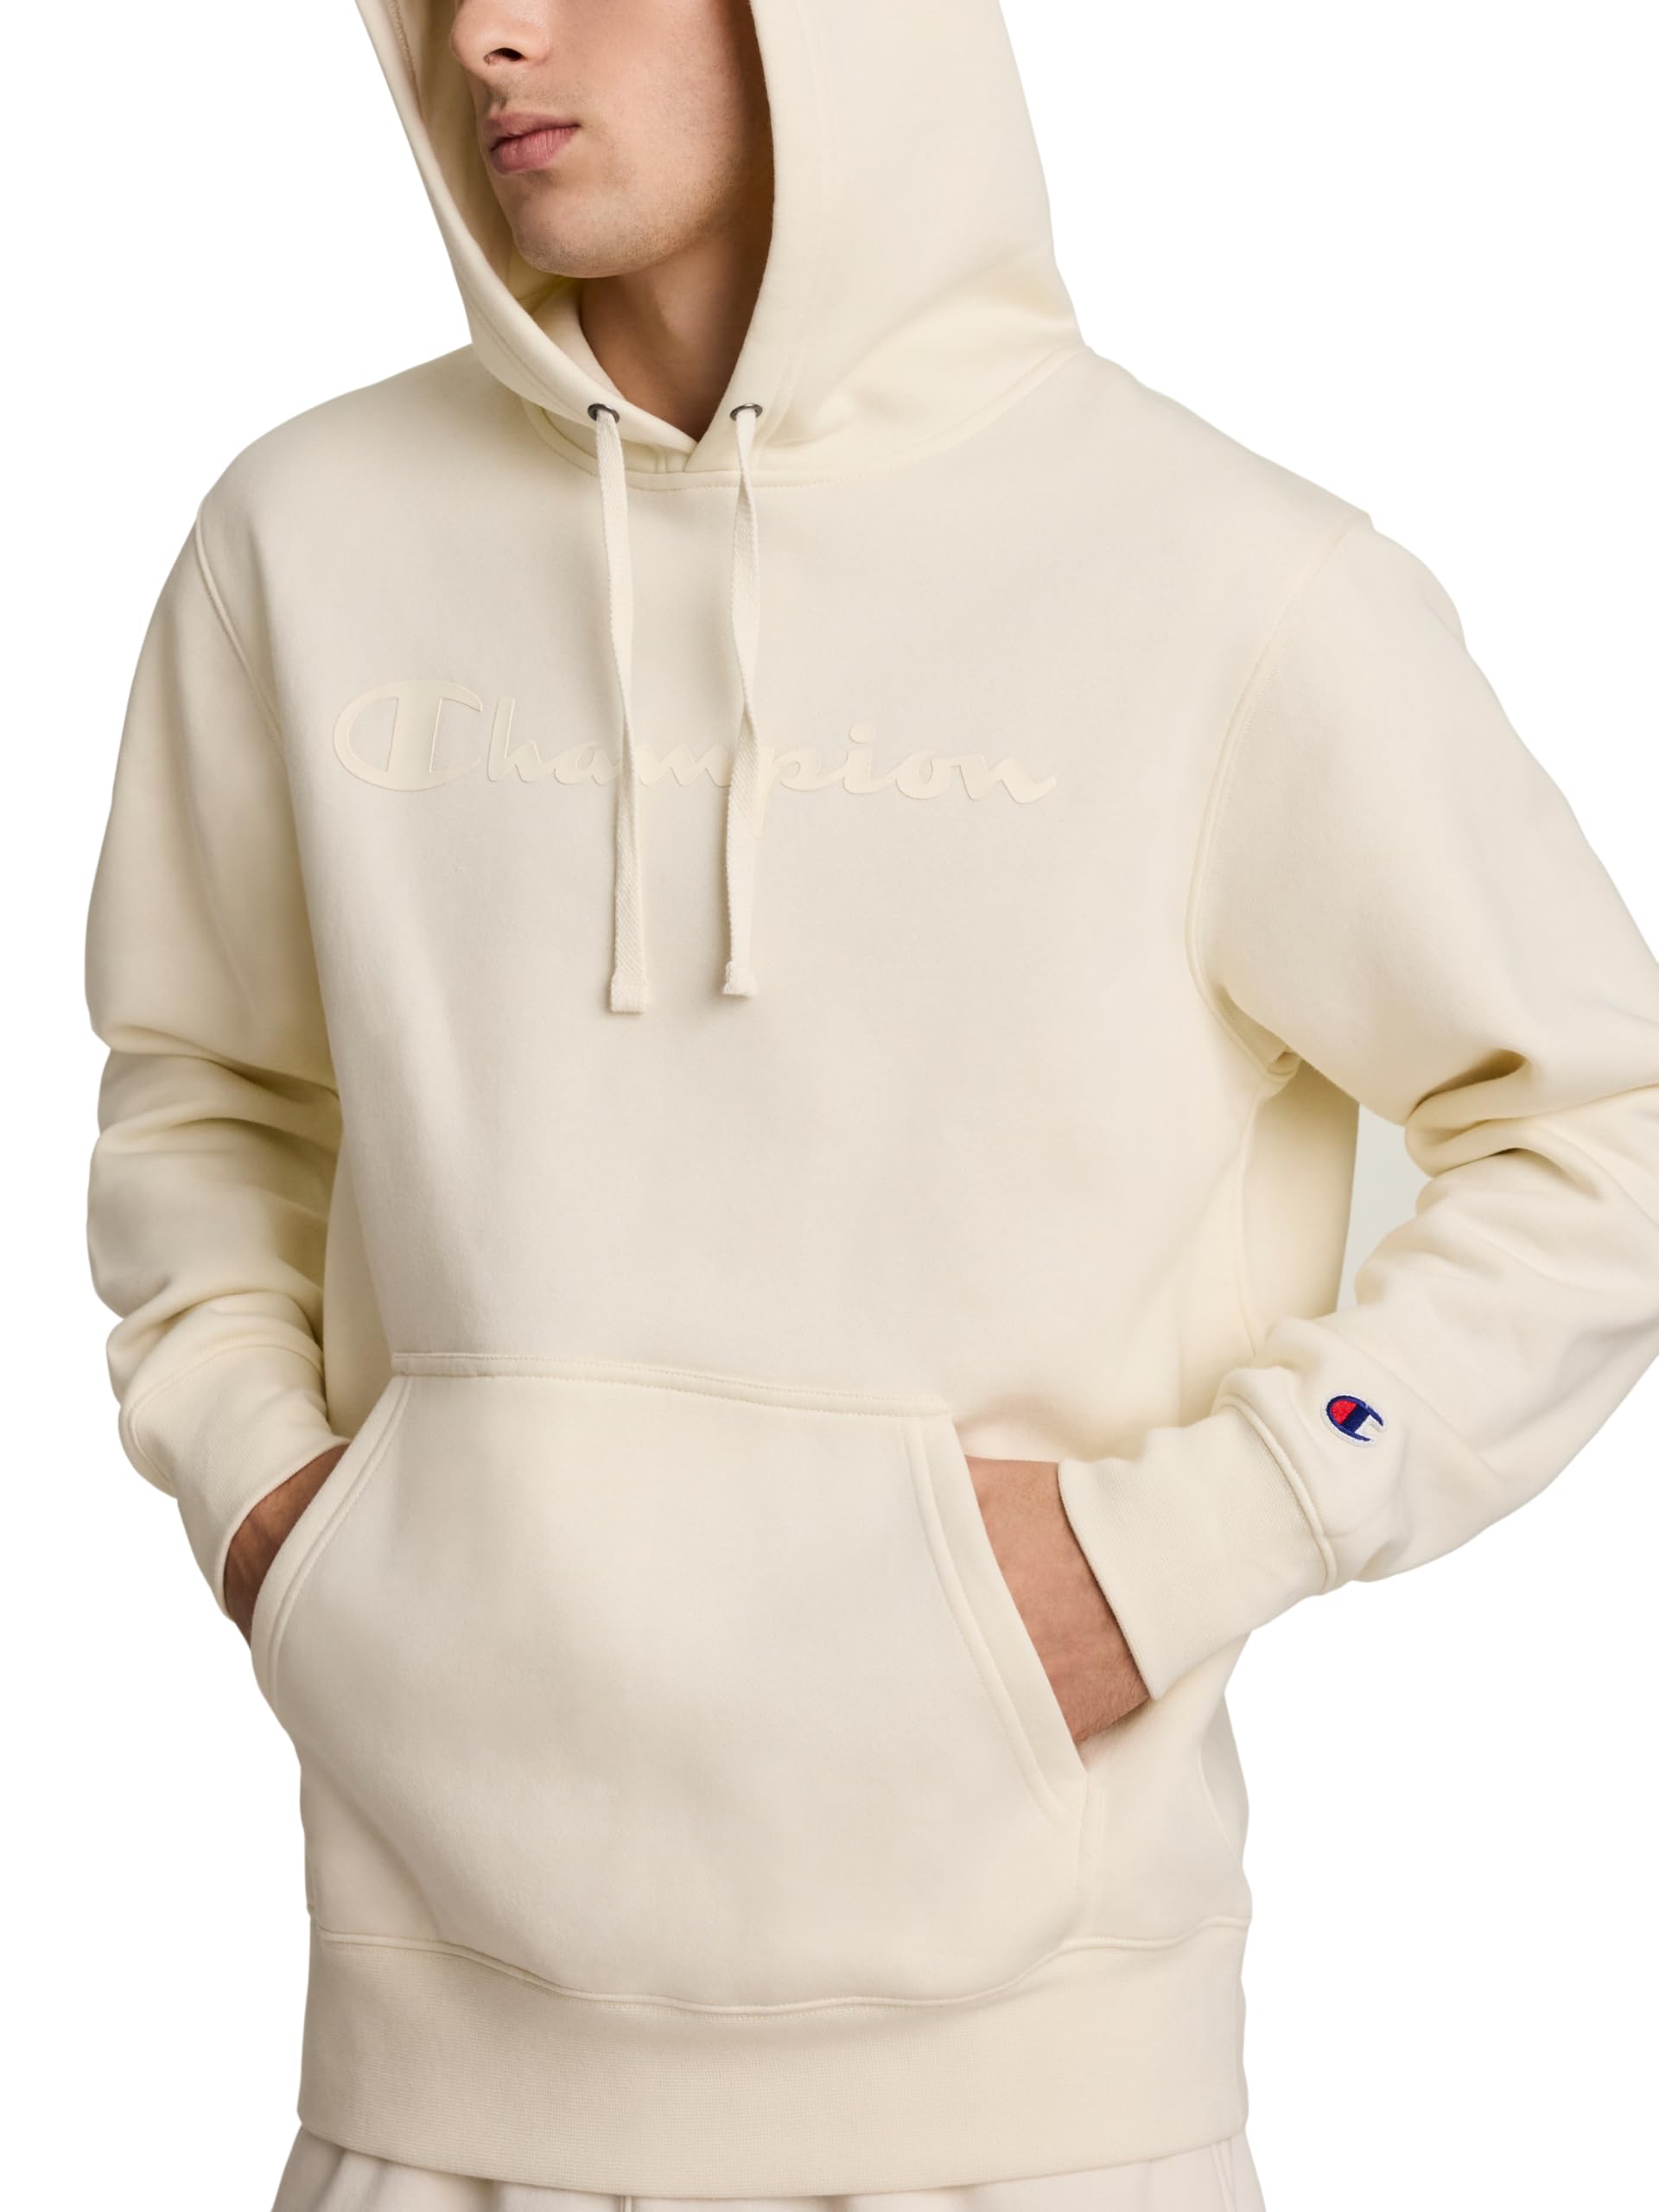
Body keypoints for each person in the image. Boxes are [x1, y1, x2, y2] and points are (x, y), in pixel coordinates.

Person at [82, 1, 1659, 2208]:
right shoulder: (305, 537)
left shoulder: (1229, 581)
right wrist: (280, 1503)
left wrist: (1221, 1527)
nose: (491, 36)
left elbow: (1605, 1133)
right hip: (427, 2076)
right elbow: (210, 1090)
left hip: (1040, 2114)